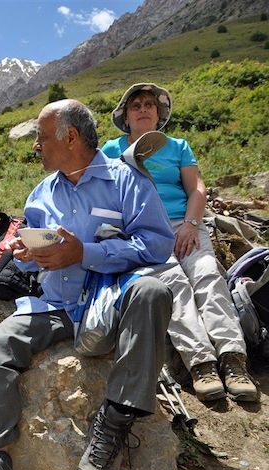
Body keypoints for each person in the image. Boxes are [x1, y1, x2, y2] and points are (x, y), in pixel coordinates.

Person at [0, 100, 176, 470]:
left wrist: (85, 253)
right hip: (55, 302)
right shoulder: (42, 193)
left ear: (70, 137)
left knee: (152, 292)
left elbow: (156, 243)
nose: (36, 148)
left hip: (109, 299)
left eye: (42, 138)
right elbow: (34, 245)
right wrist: (25, 251)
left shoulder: (126, 181)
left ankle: (112, 429)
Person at [101, 83, 258, 402]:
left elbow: (196, 188)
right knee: (173, 283)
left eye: (149, 104)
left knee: (208, 277)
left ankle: (233, 360)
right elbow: (103, 194)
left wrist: (190, 224)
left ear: (158, 115)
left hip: (184, 224)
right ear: (126, 117)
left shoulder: (178, 147)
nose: (143, 108)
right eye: (136, 105)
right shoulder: (111, 150)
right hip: (142, 230)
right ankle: (201, 363)